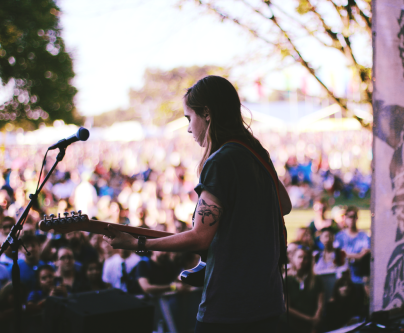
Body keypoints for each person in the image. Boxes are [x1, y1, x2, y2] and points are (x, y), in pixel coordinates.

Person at [104, 75, 292, 332]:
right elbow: (285, 205)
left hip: (229, 308)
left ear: (207, 114)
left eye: (188, 118)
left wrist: (139, 243)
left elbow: (200, 238)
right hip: (268, 302)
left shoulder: (220, 162)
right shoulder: (256, 151)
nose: (189, 128)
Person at [284, 246, 324, 333]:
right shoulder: (287, 280)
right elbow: (286, 307)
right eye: (299, 257)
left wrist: (315, 320)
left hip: (312, 323)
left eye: (305, 258)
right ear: (293, 259)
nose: (302, 261)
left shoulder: (316, 280)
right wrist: (309, 319)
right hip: (292, 324)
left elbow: (320, 304)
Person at [334, 206, 370, 284]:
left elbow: (365, 256)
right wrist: (358, 256)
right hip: (344, 276)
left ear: (357, 218)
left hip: (361, 275)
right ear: (345, 218)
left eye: (354, 217)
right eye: (349, 217)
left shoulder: (364, 236)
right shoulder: (339, 236)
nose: (352, 220)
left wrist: (348, 255)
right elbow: (339, 256)